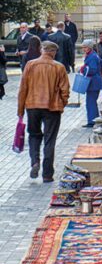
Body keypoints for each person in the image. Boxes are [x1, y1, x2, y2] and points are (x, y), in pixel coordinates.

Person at [17, 40, 70, 182]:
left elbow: (23, 88)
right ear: (53, 52)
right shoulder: (59, 67)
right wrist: (62, 104)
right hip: (52, 107)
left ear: (42, 50)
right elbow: (65, 90)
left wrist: (20, 109)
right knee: (49, 139)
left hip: (32, 106)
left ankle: (35, 161)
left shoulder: (30, 65)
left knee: (34, 135)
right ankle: (47, 174)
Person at [79, 39, 102, 127]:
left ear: (89, 47)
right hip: (94, 82)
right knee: (91, 102)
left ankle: (92, 121)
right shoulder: (92, 55)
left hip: (93, 83)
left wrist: (83, 69)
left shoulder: (92, 56)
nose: (83, 49)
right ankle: (94, 119)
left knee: (91, 102)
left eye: (85, 47)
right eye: (83, 47)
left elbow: (92, 69)